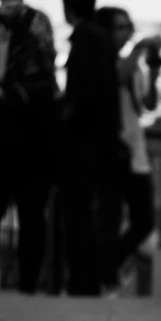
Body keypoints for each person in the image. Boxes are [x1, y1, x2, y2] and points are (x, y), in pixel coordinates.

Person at [95, 6, 161, 288]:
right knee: (109, 219)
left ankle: (107, 267)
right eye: (117, 28)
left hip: (137, 153)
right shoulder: (104, 61)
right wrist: (137, 49)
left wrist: (154, 68)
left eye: (126, 27)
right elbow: (117, 77)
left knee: (144, 220)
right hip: (114, 152)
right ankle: (106, 272)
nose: (123, 33)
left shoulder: (132, 65)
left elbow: (147, 103)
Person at [60, 0, 122, 296]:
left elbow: (88, 93)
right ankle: (88, 279)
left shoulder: (87, 40)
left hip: (86, 144)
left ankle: (82, 281)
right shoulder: (100, 41)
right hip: (99, 143)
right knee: (91, 214)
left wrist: (68, 114)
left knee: (79, 213)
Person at [0, 0, 59, 294]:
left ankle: (27, 285)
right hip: (17, 132)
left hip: (32, 135)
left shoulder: (35, 24)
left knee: (32, 214)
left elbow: (43, 77)